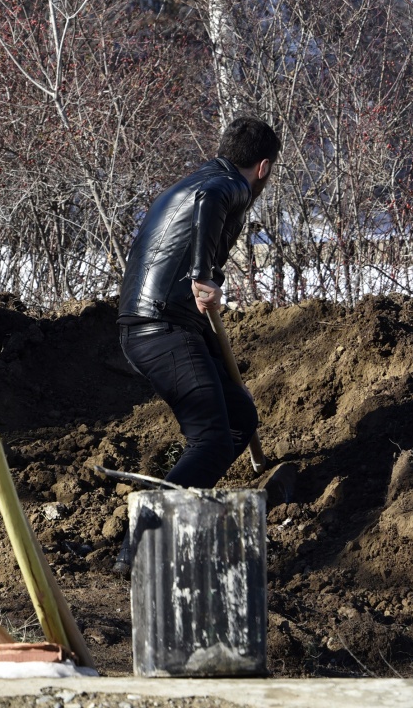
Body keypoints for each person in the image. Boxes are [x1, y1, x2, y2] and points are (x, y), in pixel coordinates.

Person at [112, 116, 281, 569]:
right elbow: (212, 201)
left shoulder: (198, 177)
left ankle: (179, 507)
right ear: (262, 167)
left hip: (165, 325)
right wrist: (204, 274)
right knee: (211, 441)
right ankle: (141, 548)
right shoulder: (226, 185)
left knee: (240, 418)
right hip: (160, 327)